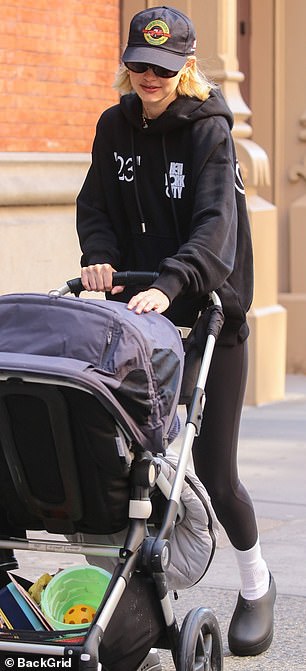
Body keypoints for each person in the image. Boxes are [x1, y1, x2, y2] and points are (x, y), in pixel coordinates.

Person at [76, 4, 276, 667]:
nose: (148, 78)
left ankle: (256, 583)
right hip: (138, 320)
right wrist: (98, 257)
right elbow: (95, 205)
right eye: (138, 65)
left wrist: (173, 280)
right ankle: (132, 603)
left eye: (161, 69)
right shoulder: (113, 126)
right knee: (130, 466)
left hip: (210, 316)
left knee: (213, 473)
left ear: (185, 68)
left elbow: (217, 228)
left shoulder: (209, 131)